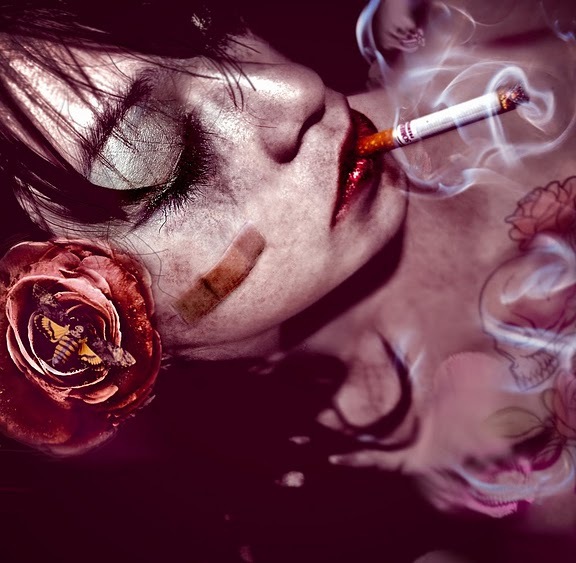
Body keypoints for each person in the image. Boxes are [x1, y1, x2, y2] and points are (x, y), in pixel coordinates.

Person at [0, 0, 575, 561]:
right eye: (153, 152)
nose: (296, 90)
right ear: (73, 333)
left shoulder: (514, 55)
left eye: (212, 29)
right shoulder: (315, 528)